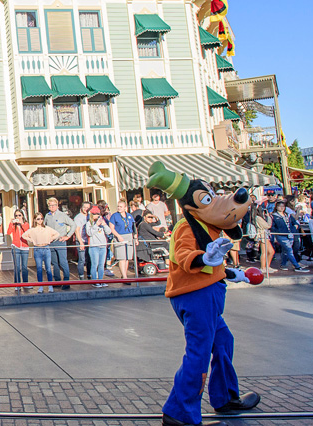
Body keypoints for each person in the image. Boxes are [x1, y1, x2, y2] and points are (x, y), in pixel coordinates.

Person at [146, 161, 260, 425]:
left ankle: (225, 398)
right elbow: (184, 255)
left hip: (207, 294)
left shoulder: (209, 227)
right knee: (198, 353)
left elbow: (214, 263)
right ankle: (179, 413)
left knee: (222, 342)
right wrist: (204, 257)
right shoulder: (186, 227)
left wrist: (235, 273)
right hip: (195, 296)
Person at [22, 213, 60, 293]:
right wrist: (32, 240)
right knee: (39, 269)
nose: (40, 220)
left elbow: (57, 234)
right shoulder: (33, 229)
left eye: (41, 219)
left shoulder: (46, 228)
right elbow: (23, 235)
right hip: (37, 248)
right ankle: (40, 286)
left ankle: (50, 285)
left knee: (48, 268)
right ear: (35, 220)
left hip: (46, 248)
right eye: (38, 219)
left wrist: (50, 239)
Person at [45, 197, 76, 290]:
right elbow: (44, 227)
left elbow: (73, 225)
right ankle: (57, 281)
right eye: (50, 205)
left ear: (57, 206)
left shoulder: (62, 215)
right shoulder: (47, 216)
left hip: (61, 241)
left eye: (54, 205)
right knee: (54, 263)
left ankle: (66, 281)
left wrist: (68, 236)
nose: (52, 207)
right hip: (51, 242)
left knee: (63, 262)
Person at [271, 201, 308, 273]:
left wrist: (294, 228)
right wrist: (278, 232)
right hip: (281, 235)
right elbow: (272, 226)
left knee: (285, 250)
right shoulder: (274, 216)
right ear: (276, 207)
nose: (281, 208)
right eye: (279, 206)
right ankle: (296, 266)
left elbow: (295, 222)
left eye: (283, 206)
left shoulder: (288, 215)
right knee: (289, 250)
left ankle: (283, 264)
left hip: (290, 234)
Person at [109, 201, 136, 283]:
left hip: (128, 236)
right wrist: (118, 236)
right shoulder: (114, 216)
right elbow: (112, 228)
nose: (119, 208)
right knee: (122, 258)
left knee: (127, 258)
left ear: (125, 207)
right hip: (120, 236)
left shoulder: (129, 216)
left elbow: (134, 227)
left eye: (121, 206)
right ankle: (124, 277)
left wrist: (135, 236)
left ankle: (124, 274)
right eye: (118, 206)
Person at [84, 206, 111, 287]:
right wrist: (96, 225)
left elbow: (109, 232)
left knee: (101, 264)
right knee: (94, 264)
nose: (97, 216)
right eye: (95, 214)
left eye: (98, 214)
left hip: (102, 246)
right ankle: (95, 280)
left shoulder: (103, 221)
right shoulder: (89, 223)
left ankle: (101, 280)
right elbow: (89, 233)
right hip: (94, 246)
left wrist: (104, 225)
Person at [6, 209, 31, 292]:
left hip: (24, 247)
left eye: (19, 215)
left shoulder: (26, 224)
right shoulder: (14, 225)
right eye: (16, 215)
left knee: (24, 267)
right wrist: (11, 223)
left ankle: (25, 283)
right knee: (16, 266)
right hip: (15, 247)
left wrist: (22, 224)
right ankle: (17, 284)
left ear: (22, 216)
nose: (18, 217)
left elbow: (27, 232)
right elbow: (8, 232)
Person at [254, 206, 277, 273]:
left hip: (266, 234)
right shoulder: (258, 218)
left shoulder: (260, 217)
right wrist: (269, 218)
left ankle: (267, 266)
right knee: (264, 252)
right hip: (262, 235)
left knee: (271, 251)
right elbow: (267, 226)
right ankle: (263, 267)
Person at [72, 202, 91, 279]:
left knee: (89, 259)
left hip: (89, 241)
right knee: (82, 259)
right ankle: (81, 276)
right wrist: (81, 242)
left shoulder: (90, 217)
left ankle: (89, 274)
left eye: (88, 207)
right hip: (81, 240)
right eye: (84, 207)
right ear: (81, 207)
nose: (86, 209)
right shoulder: (78, 217)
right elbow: (77, 231)